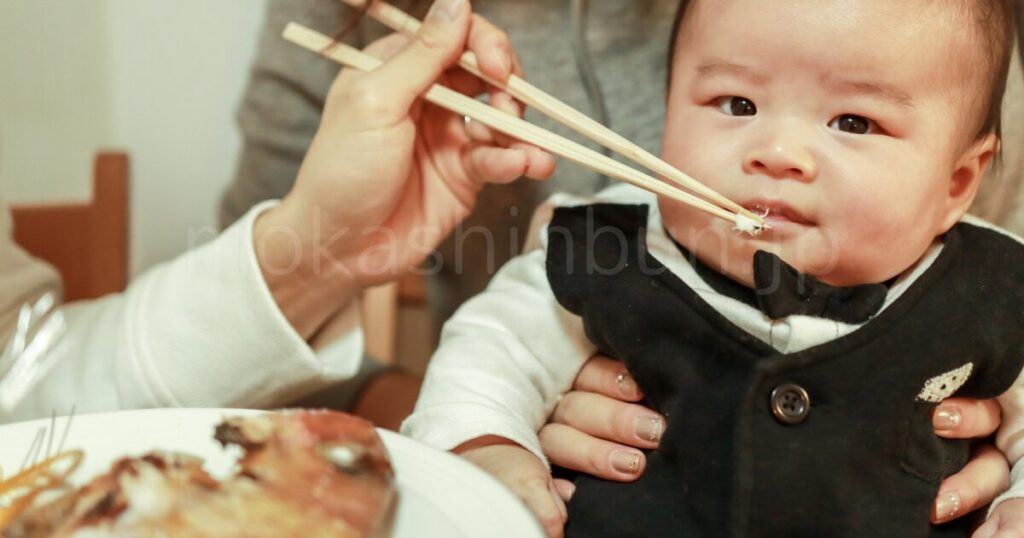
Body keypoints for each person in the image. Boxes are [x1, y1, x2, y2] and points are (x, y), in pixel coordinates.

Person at [221, 0, 1014, 531]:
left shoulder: (991, 285)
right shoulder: (603, 247)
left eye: (853, 120)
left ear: (956, 183)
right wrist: (489, 445)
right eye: (736, 106)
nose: (778, 152)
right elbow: (490, 350)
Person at [0, 0, 554, 423]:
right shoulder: (344, 13)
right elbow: (23, 385)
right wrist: (466, 416)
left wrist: (319, 262)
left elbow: (24, 379)